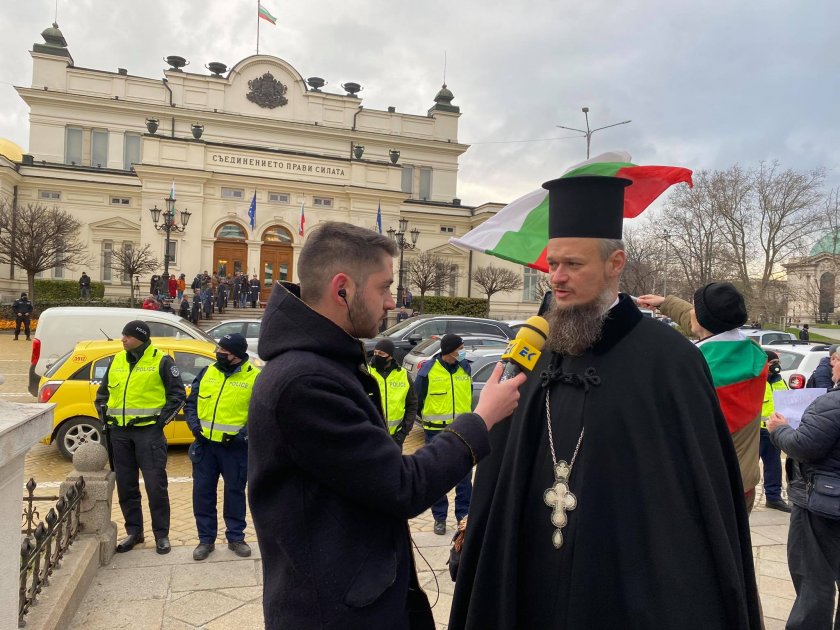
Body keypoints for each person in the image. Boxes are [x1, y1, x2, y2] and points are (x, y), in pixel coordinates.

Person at [450, 176, 761, 629]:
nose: (557, 277)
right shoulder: (535, 351)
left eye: (572, 264)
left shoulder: (670, 361)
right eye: (552, 264)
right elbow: (504, 471)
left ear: (616, 263)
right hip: (531, 575)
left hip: (626, 585)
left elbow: (697, 499)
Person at [247, 221, 526, 629]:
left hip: (352, 598)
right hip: (335, 615)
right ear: (342, 288)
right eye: (384, 287)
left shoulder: (323, 363)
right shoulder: (305, 382)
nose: (392, 302)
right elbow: (402, 485)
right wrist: (481, 419)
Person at [637, 283, 767, 514]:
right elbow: (709, 327)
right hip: (743, 483)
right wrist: (666, 303)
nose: (691, 313)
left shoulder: (693, 369)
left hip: (705, 489)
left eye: (694, 308)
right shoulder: (754, 355)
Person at [94, 320, 186, 554]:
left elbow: (177, 396)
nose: (123, 339)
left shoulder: (161, 361)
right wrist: (106, 420)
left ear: (141, 338)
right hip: (119, 434)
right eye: (123, 335)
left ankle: (161, 535)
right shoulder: (116, 361)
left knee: (156, 486)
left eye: (127, 336)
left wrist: (159, 424)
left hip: (148, 434)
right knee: (126, 487)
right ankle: (134, 532)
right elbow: (102, 395)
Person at [768, 347, 840, 630]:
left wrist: (779, 430)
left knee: (814, 576)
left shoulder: (831, 403)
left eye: (837, 359)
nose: (831, 363)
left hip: (822, 503)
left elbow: (804, 446)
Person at [184, 333, 260, 561]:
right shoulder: (207, 372)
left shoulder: (255, 377)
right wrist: (196, 429)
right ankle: (205, 540)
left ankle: (236, 537)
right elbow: (191, 403)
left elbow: (260, 415)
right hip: (205, 447)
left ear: (236, 354)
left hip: (234, 449)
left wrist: (240, 437)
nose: (218, 354)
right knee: (202, 493)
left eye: (223, 351)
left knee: (235, 492)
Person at [415, 333, 473, 535]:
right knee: (438, 475)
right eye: (461, 347)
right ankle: (439, 518)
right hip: (436, 431)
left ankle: (463, 516)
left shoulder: (465, 367)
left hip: (462, 430)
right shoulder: (428, 370)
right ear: (450, 350)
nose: (463, 351)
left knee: (464, 478)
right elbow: (418, 398)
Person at [369, 338, 417, 451]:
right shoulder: (367, 373)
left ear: (390, 356)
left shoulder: (403, 375)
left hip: (395, 438)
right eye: (375, 352)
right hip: (371, 437)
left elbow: (412, 405)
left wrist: (403, 432)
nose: (376, 356)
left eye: (381, 353)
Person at [761, 350, 791, 512]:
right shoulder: (756, 381)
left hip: (774, 431)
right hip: (756, 431)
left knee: (773, 465)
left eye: (778, 363)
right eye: (773, 363)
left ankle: (773, 497)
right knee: (747, 468)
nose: (776, 367)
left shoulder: (780, 381)